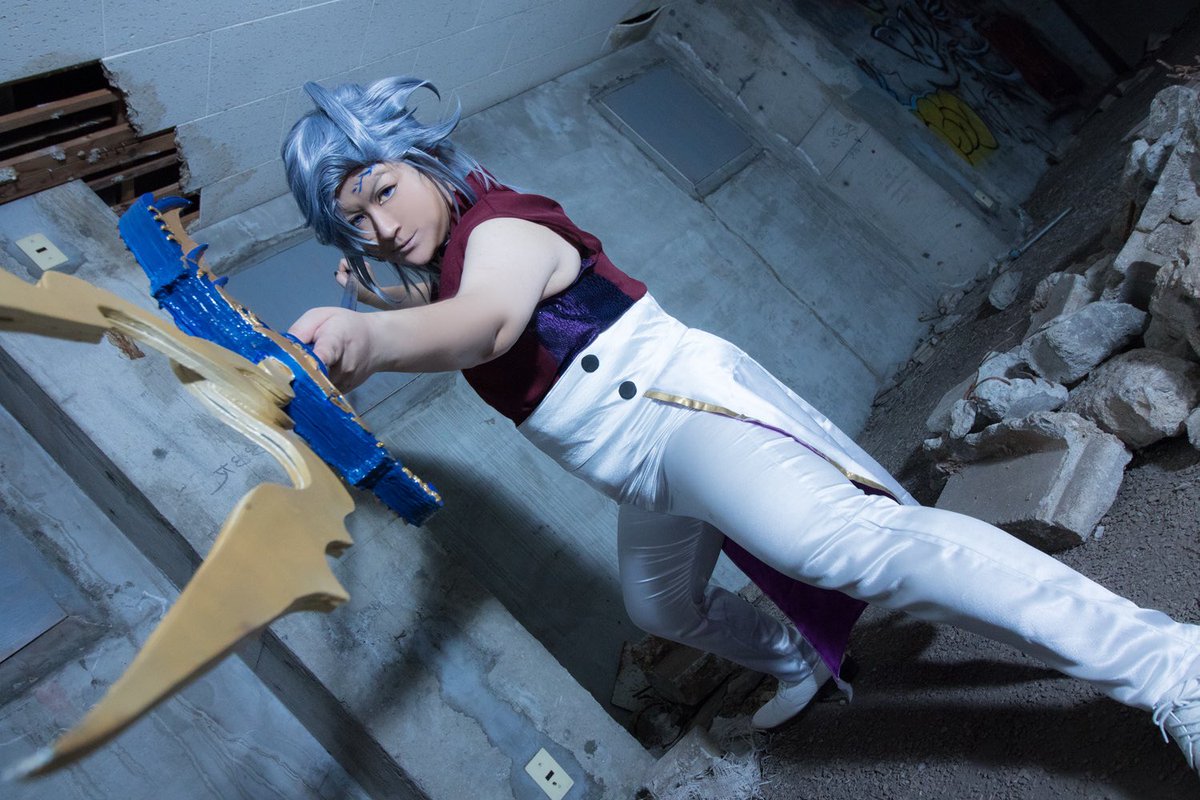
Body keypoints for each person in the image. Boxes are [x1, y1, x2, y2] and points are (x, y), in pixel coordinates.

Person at [281, 76, 1200, 768]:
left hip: (674, 410)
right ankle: (795, 659)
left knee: (845, 546)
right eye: (354, 219)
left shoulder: (499, 230)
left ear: (422, 159)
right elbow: (453, 311)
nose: (380, 227)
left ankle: (1169, 666)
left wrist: (372, 335)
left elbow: (484, 323)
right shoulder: (447, 264)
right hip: (639, 467)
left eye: (382, 188)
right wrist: (384, 305)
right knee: (660, 604)